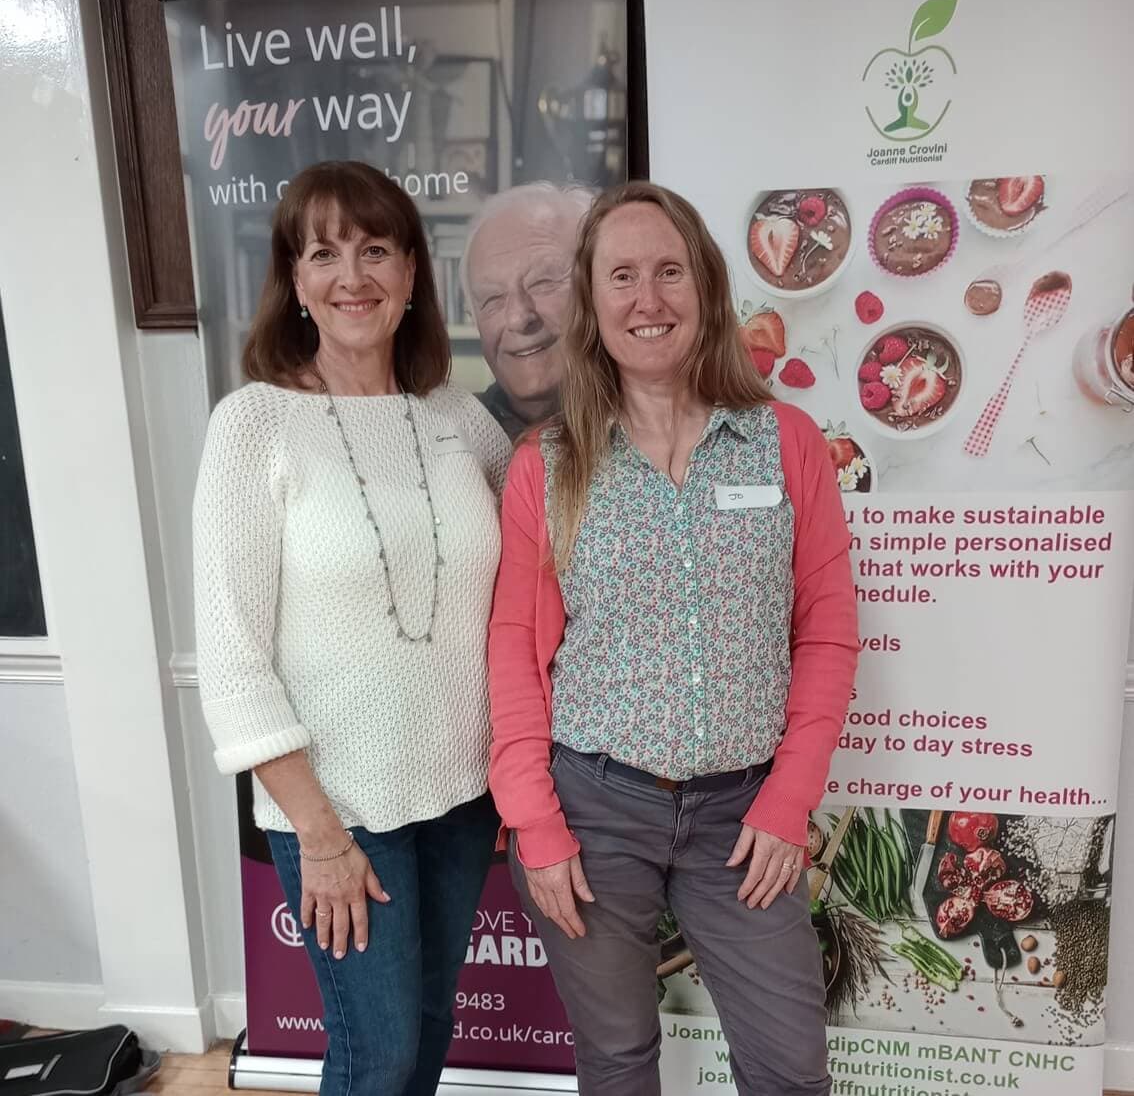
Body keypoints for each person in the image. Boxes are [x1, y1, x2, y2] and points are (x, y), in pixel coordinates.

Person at [487, 181, 858, 1095]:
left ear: (706, 288)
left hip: (743, 817)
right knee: (616, 1061)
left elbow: (829, 633)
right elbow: (513, 653)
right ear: (592, 300)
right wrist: (535, 822)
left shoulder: (786, 443)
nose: (648, 300)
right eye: (622, 276)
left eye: (669, 272)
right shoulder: (552, 464)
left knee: (791, 1068)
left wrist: (789, 800)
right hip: (594, 808)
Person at [193, 161, 512, 1096]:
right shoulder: (256, 426)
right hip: (339, 810)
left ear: (413, 273)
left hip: (461, 796)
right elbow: (231, 649)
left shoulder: (458, 420)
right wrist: (320, 835)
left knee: (428, 1033)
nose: (353, 275)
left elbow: (537, 554)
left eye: (376, 249)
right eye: (324, 252)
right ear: (294, 281)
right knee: (376, 1059)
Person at [461, 182, 593, 439]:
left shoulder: (657, 430)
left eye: (543, 283)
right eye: (492, 299)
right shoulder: (455, 442)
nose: (519, 317)